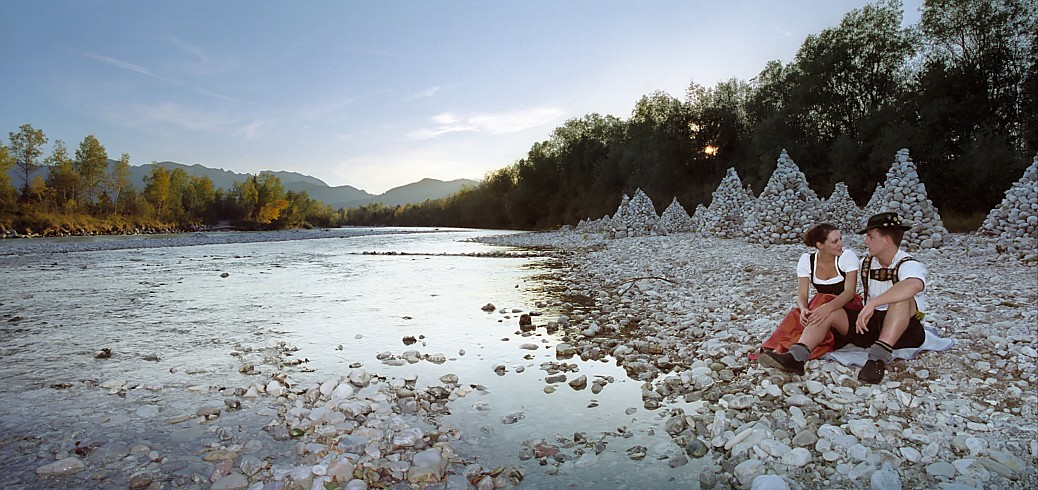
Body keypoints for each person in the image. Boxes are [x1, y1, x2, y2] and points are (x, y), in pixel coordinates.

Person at [761, 212, 927, 384]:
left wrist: (873, 304)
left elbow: (913, 285)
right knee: (827, 310)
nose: (865, 241)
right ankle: (797, 357)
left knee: (901, 300)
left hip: (905, 332)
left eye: (870, 237)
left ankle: (876, 360)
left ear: (886, 239)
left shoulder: (909, 264)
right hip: (870, 326)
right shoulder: (866, 263)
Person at [752, 223, 862, 366]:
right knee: (796, 314)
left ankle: (793, 352)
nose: (840, 244)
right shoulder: (807, 261)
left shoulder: (846, 257)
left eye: (840, 239)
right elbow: (802, 296)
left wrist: (826, 308)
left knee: (820, 298)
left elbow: (849, 293)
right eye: (835, 241)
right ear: (820, 245)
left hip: (847, 310)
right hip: (821, 308)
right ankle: (780, 350)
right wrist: (804, 309)